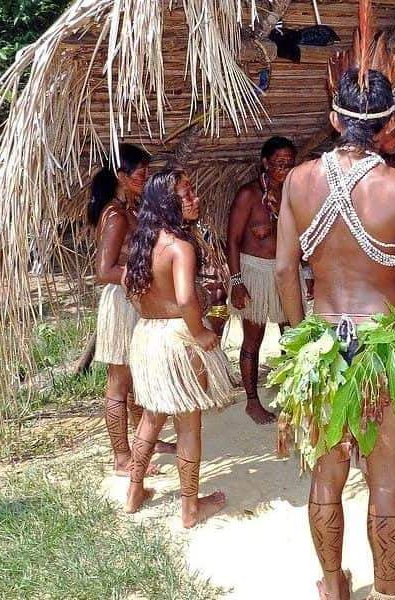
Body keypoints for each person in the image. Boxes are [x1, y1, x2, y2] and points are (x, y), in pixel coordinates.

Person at [274, 54, 395, 599]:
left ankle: (331, 584)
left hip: (322, 345)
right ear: (390, 123)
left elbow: (283, 271)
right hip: (380, 347)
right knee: (386, 479)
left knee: (326, 472)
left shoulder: (298, 182)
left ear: (333, 118)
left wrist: (303, 340)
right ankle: (389, 594)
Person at [122, 168, 237, 522]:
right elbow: (187, 299)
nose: (194, 199)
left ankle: (134, 491)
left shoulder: (142, 243)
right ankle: (190, 507)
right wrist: (200, 333)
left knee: (152, 419)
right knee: (188, 426)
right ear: (167, 202)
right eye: (186, 194)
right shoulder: (179, 247)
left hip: (149, 336)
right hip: (178, 340)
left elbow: (130, 286)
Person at [88, 144, 175, 477]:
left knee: (139, 375)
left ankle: (144, 441)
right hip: (121, 303)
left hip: (134, 298)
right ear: (122, 177)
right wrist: (143, 277)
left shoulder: (128, 209)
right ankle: (122, 457)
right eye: (141, 173)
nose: (146, 177)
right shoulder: (114, 215)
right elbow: (103, 270)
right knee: (119, 383)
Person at [227, 136, 297, 424]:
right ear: (265, 163)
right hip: (253, 272)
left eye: (289, 164)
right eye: (279, 163)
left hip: (285, 272)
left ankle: (294, 395)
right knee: (252, 341)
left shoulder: (293, 194)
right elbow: (232, 240)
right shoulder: (249, 195)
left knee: (293, 338)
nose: (284, 169)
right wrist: (237, 281)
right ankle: (252, 401)